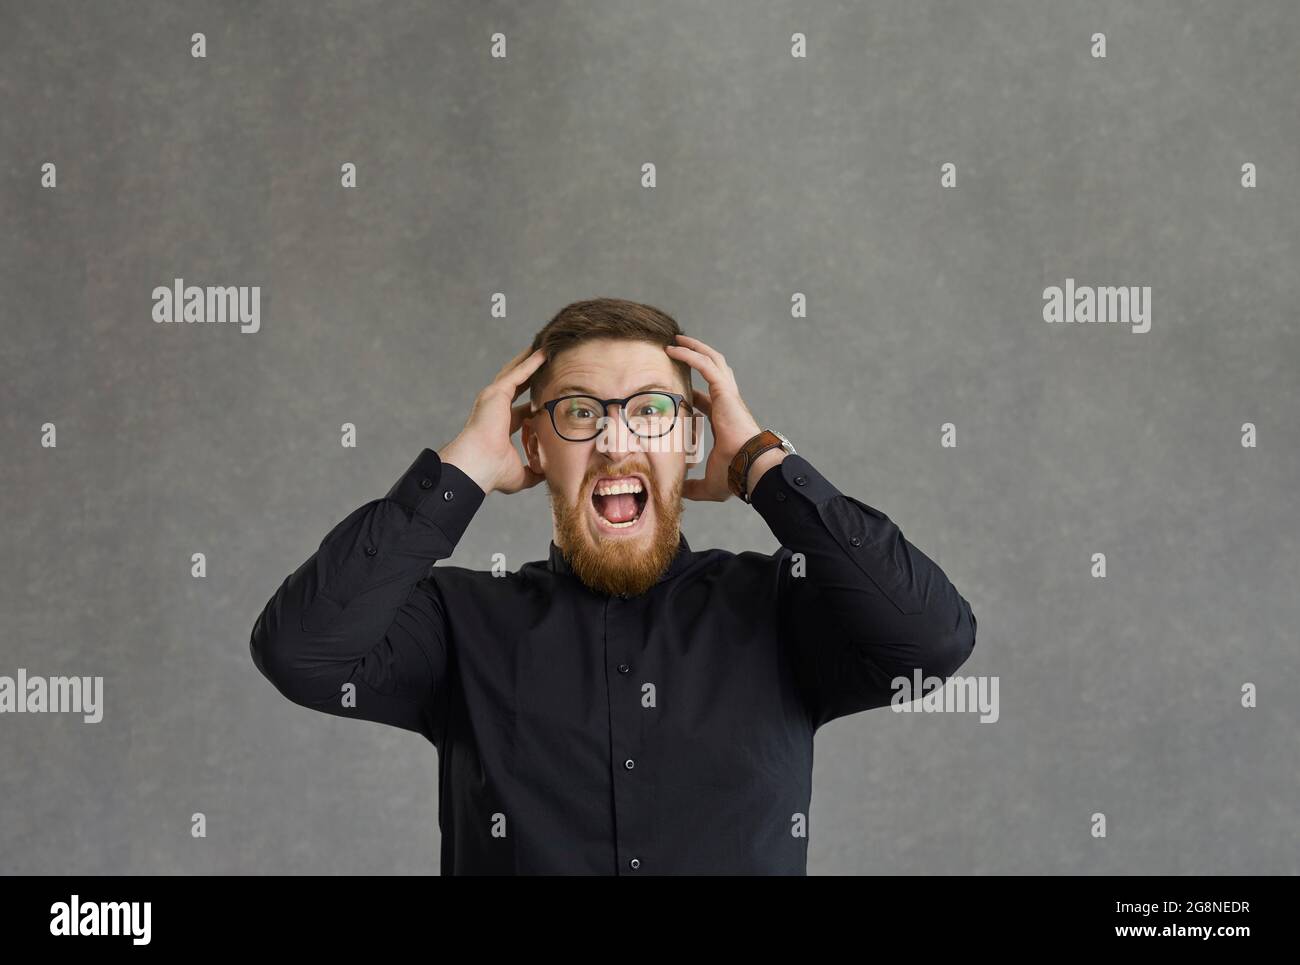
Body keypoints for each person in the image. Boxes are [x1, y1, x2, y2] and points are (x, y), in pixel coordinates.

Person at [249, 297, 978, 875]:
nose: (615, 441)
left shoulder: (780, 608)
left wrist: (763, 464)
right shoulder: (458, 622)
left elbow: (931, 636)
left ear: (692, 438)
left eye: (651, 411)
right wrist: (461, 470)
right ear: (533, 443)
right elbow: (301, 650)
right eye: (579, 412)